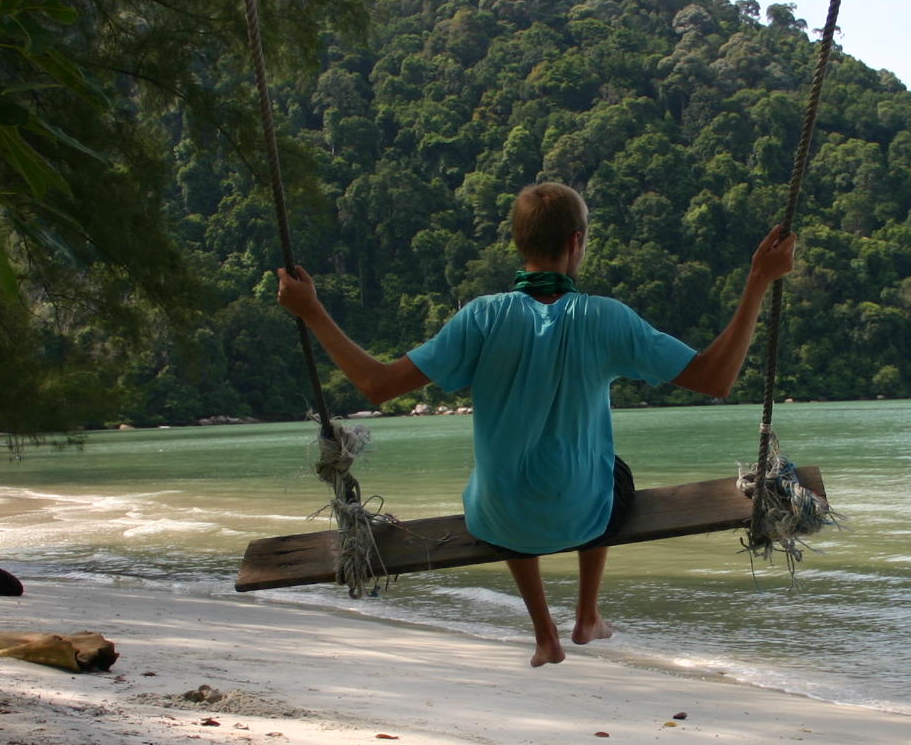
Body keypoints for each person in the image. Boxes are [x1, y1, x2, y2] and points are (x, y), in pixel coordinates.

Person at [278, 182, 795, 667]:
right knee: (611, 471)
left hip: (500, 519)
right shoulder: (606, 318)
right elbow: (716, 377)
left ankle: (544, 632)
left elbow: (377, 384)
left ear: (518, 243)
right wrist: (759, 280)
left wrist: (312, 311)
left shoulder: (480, 318)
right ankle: (587, 615)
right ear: (577, 241)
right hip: (584, 515)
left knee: (505, 481)